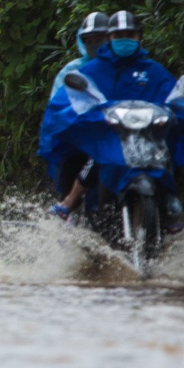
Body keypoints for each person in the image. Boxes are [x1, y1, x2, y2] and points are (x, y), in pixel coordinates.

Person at [39, 11, 184, 229]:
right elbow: (69, 100)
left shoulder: (153, 70)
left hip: (149, 137)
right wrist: (94, 117)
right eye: (118, 35)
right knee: (97, 156)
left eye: (130, 34)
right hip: (111, 136)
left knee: (168, 153)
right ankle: (70, 202)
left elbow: (172, 97)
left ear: (139, 37)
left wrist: (176, 111)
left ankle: (170, 204)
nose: (124, 39)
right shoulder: (92, 70)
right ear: (110, 38)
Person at [43, 13, 115, 217]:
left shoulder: (125, 66)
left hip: (126, 130)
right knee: (75, 161)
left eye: (99, 38)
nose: (94, 44)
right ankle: (70, 206)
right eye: (88, 40)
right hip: (86, 136)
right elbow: (58, 108)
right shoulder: (73, 71)